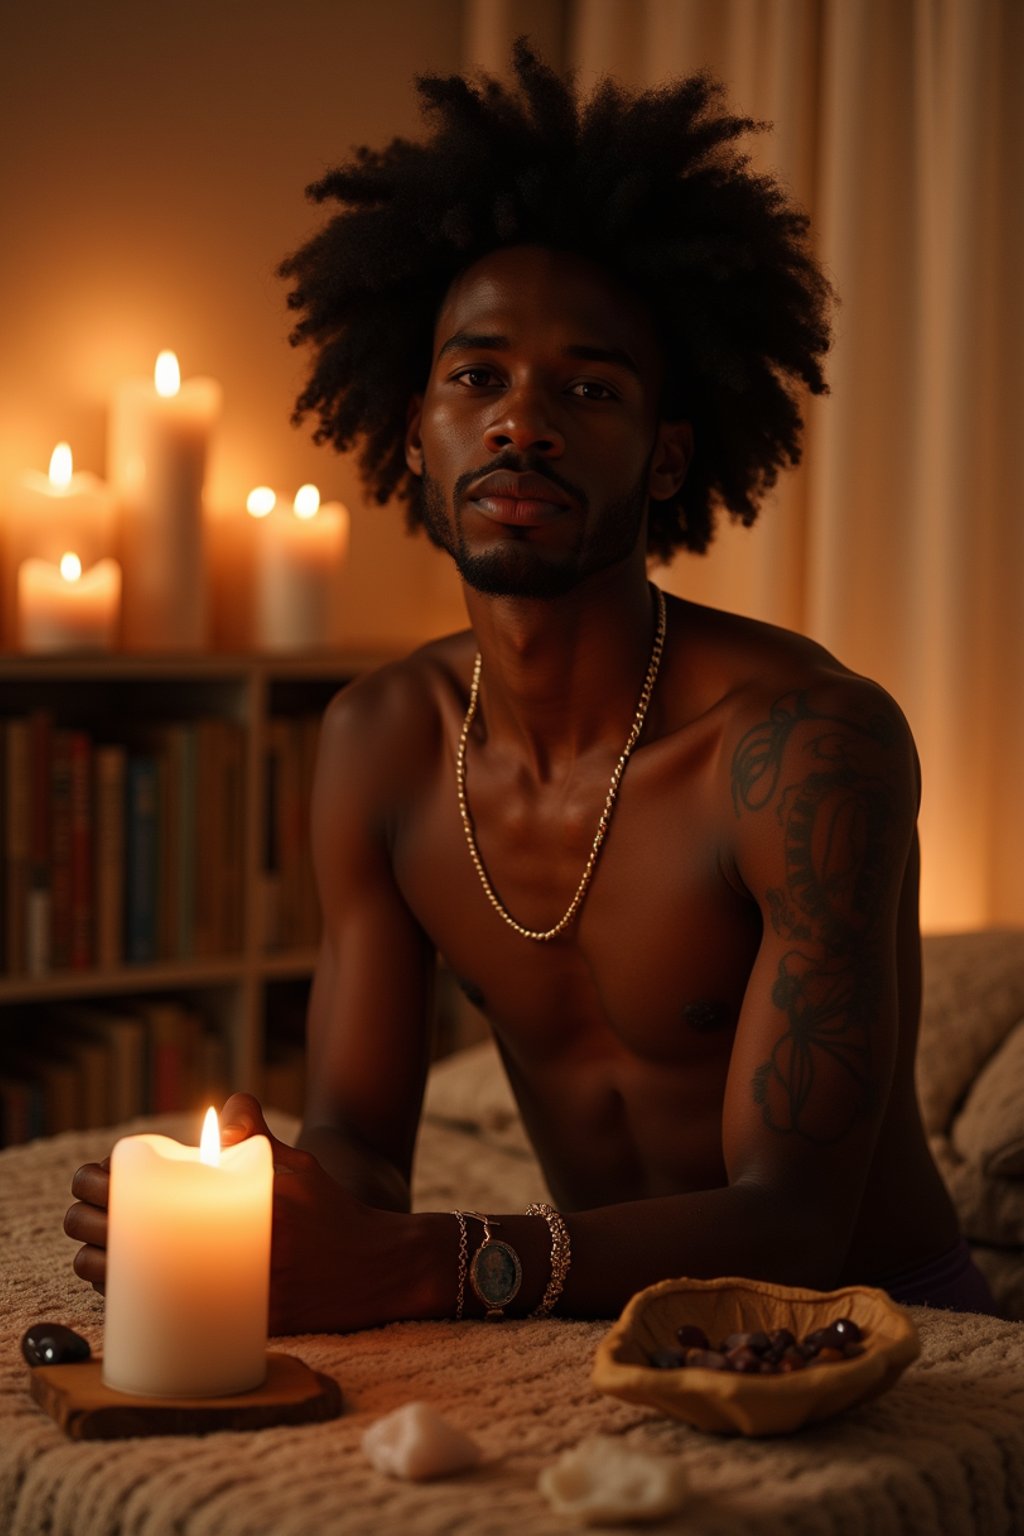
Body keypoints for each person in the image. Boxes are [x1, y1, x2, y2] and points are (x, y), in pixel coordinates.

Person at [66, 41, 999, 1327]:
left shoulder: (802, 746)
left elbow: (795, 1220)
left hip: (874, 1322)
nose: (522, 422)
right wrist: (268, 1219)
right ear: (413, 434)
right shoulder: (381, 740)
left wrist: (418, 1263)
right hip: (597, 1331)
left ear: (668, 459)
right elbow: (359, 1140)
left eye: (588, 388)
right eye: (477, 377)